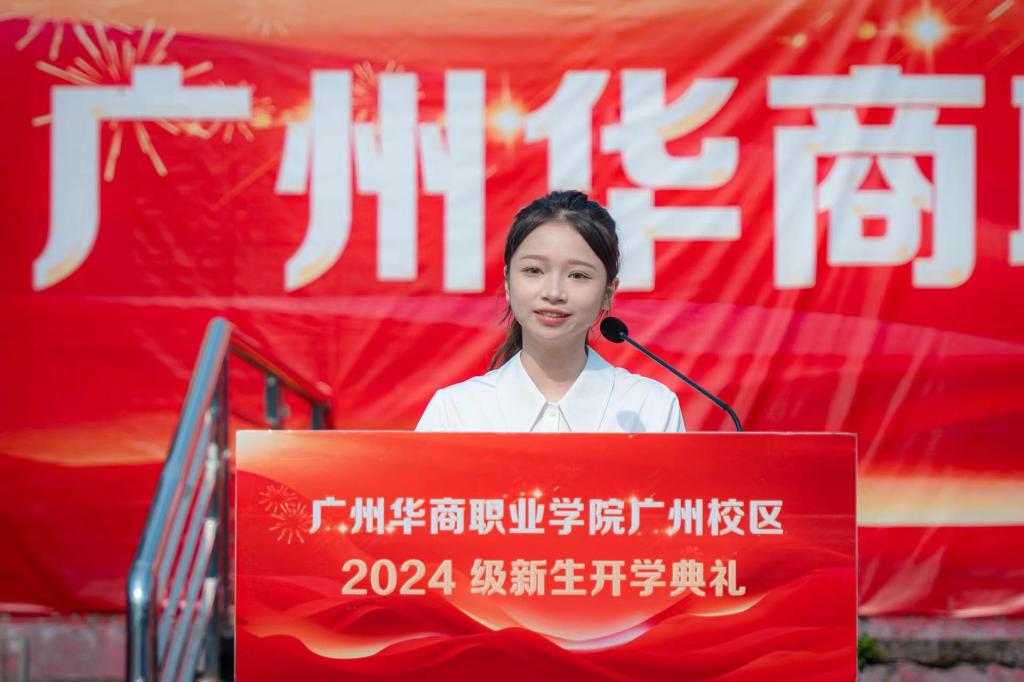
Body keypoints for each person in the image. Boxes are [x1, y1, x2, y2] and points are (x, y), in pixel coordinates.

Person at [416, 190, 685, 433]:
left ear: (608, 293)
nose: (553, 293)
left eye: (577, 275)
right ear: (508, 282)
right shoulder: (456, 412)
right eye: (534, 270)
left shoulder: (648, 409)